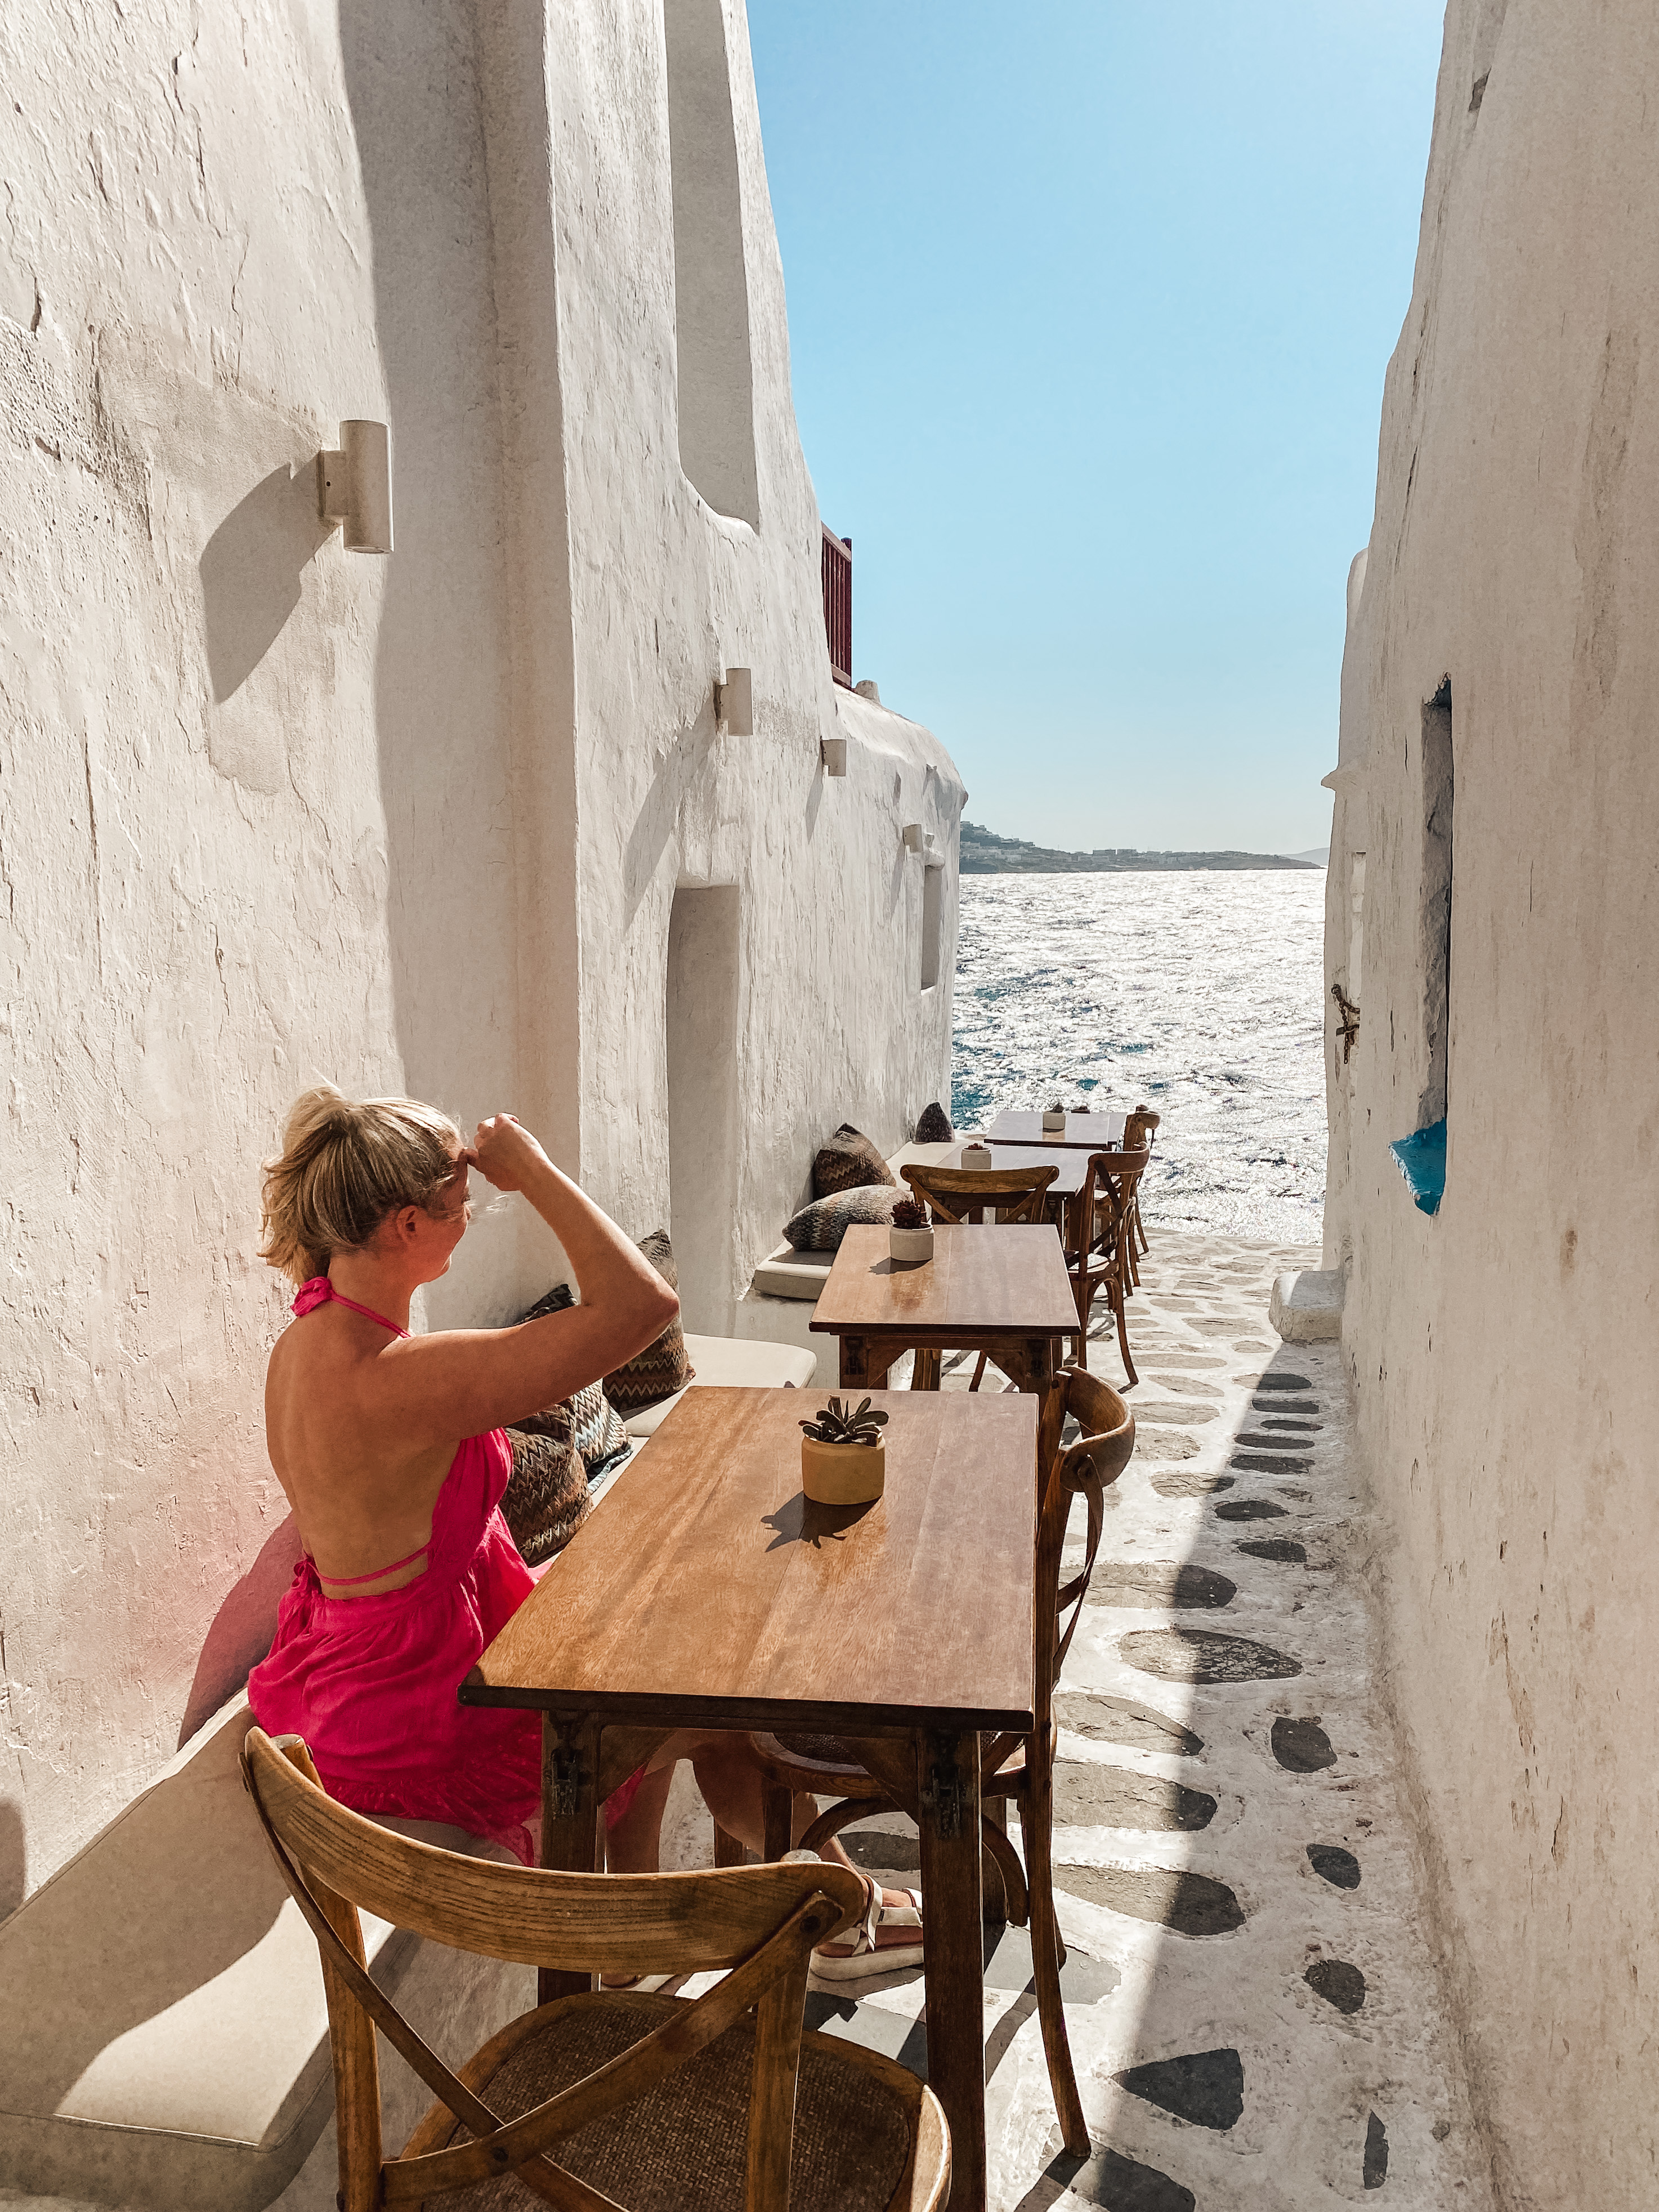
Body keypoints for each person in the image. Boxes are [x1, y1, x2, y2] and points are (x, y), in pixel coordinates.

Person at [249, 1085, 920, 1971]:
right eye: (461, 1200)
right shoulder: (399, 1375)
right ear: (407, 1225)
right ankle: (831, 1914)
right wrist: (537, 1174)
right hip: (416, 1702)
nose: (476, 1211)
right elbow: (640, 1305)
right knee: (702, 1707)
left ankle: (656, 1926)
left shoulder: (309, 1339)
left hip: (347, 1662)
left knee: (668, 1654)